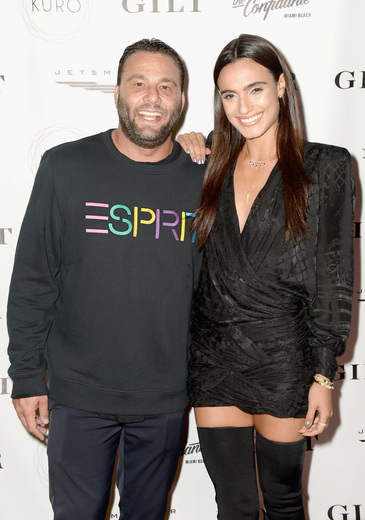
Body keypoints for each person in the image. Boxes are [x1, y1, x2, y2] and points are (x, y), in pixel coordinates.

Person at [7, 38, 205, 520]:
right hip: (77, 394)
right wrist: (28, 376)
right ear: (117, 92)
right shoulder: (65, 166)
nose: (152, 97)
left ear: (181, 100)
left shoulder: (206, 178)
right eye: (139, 84)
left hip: (164, 395)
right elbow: (34, 278)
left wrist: (212, 141)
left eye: (166, 86)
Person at [177, 34, 354, 519]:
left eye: (255, 89)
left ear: (280, 86)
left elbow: (334, 277)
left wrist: (323, 374)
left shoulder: (328, 165)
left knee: (282, 501)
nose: (242, 106)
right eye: (229, 95)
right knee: (232, 503)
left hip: (284, 358)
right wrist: (188, 144)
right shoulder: (209, 160)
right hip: (213, 357)